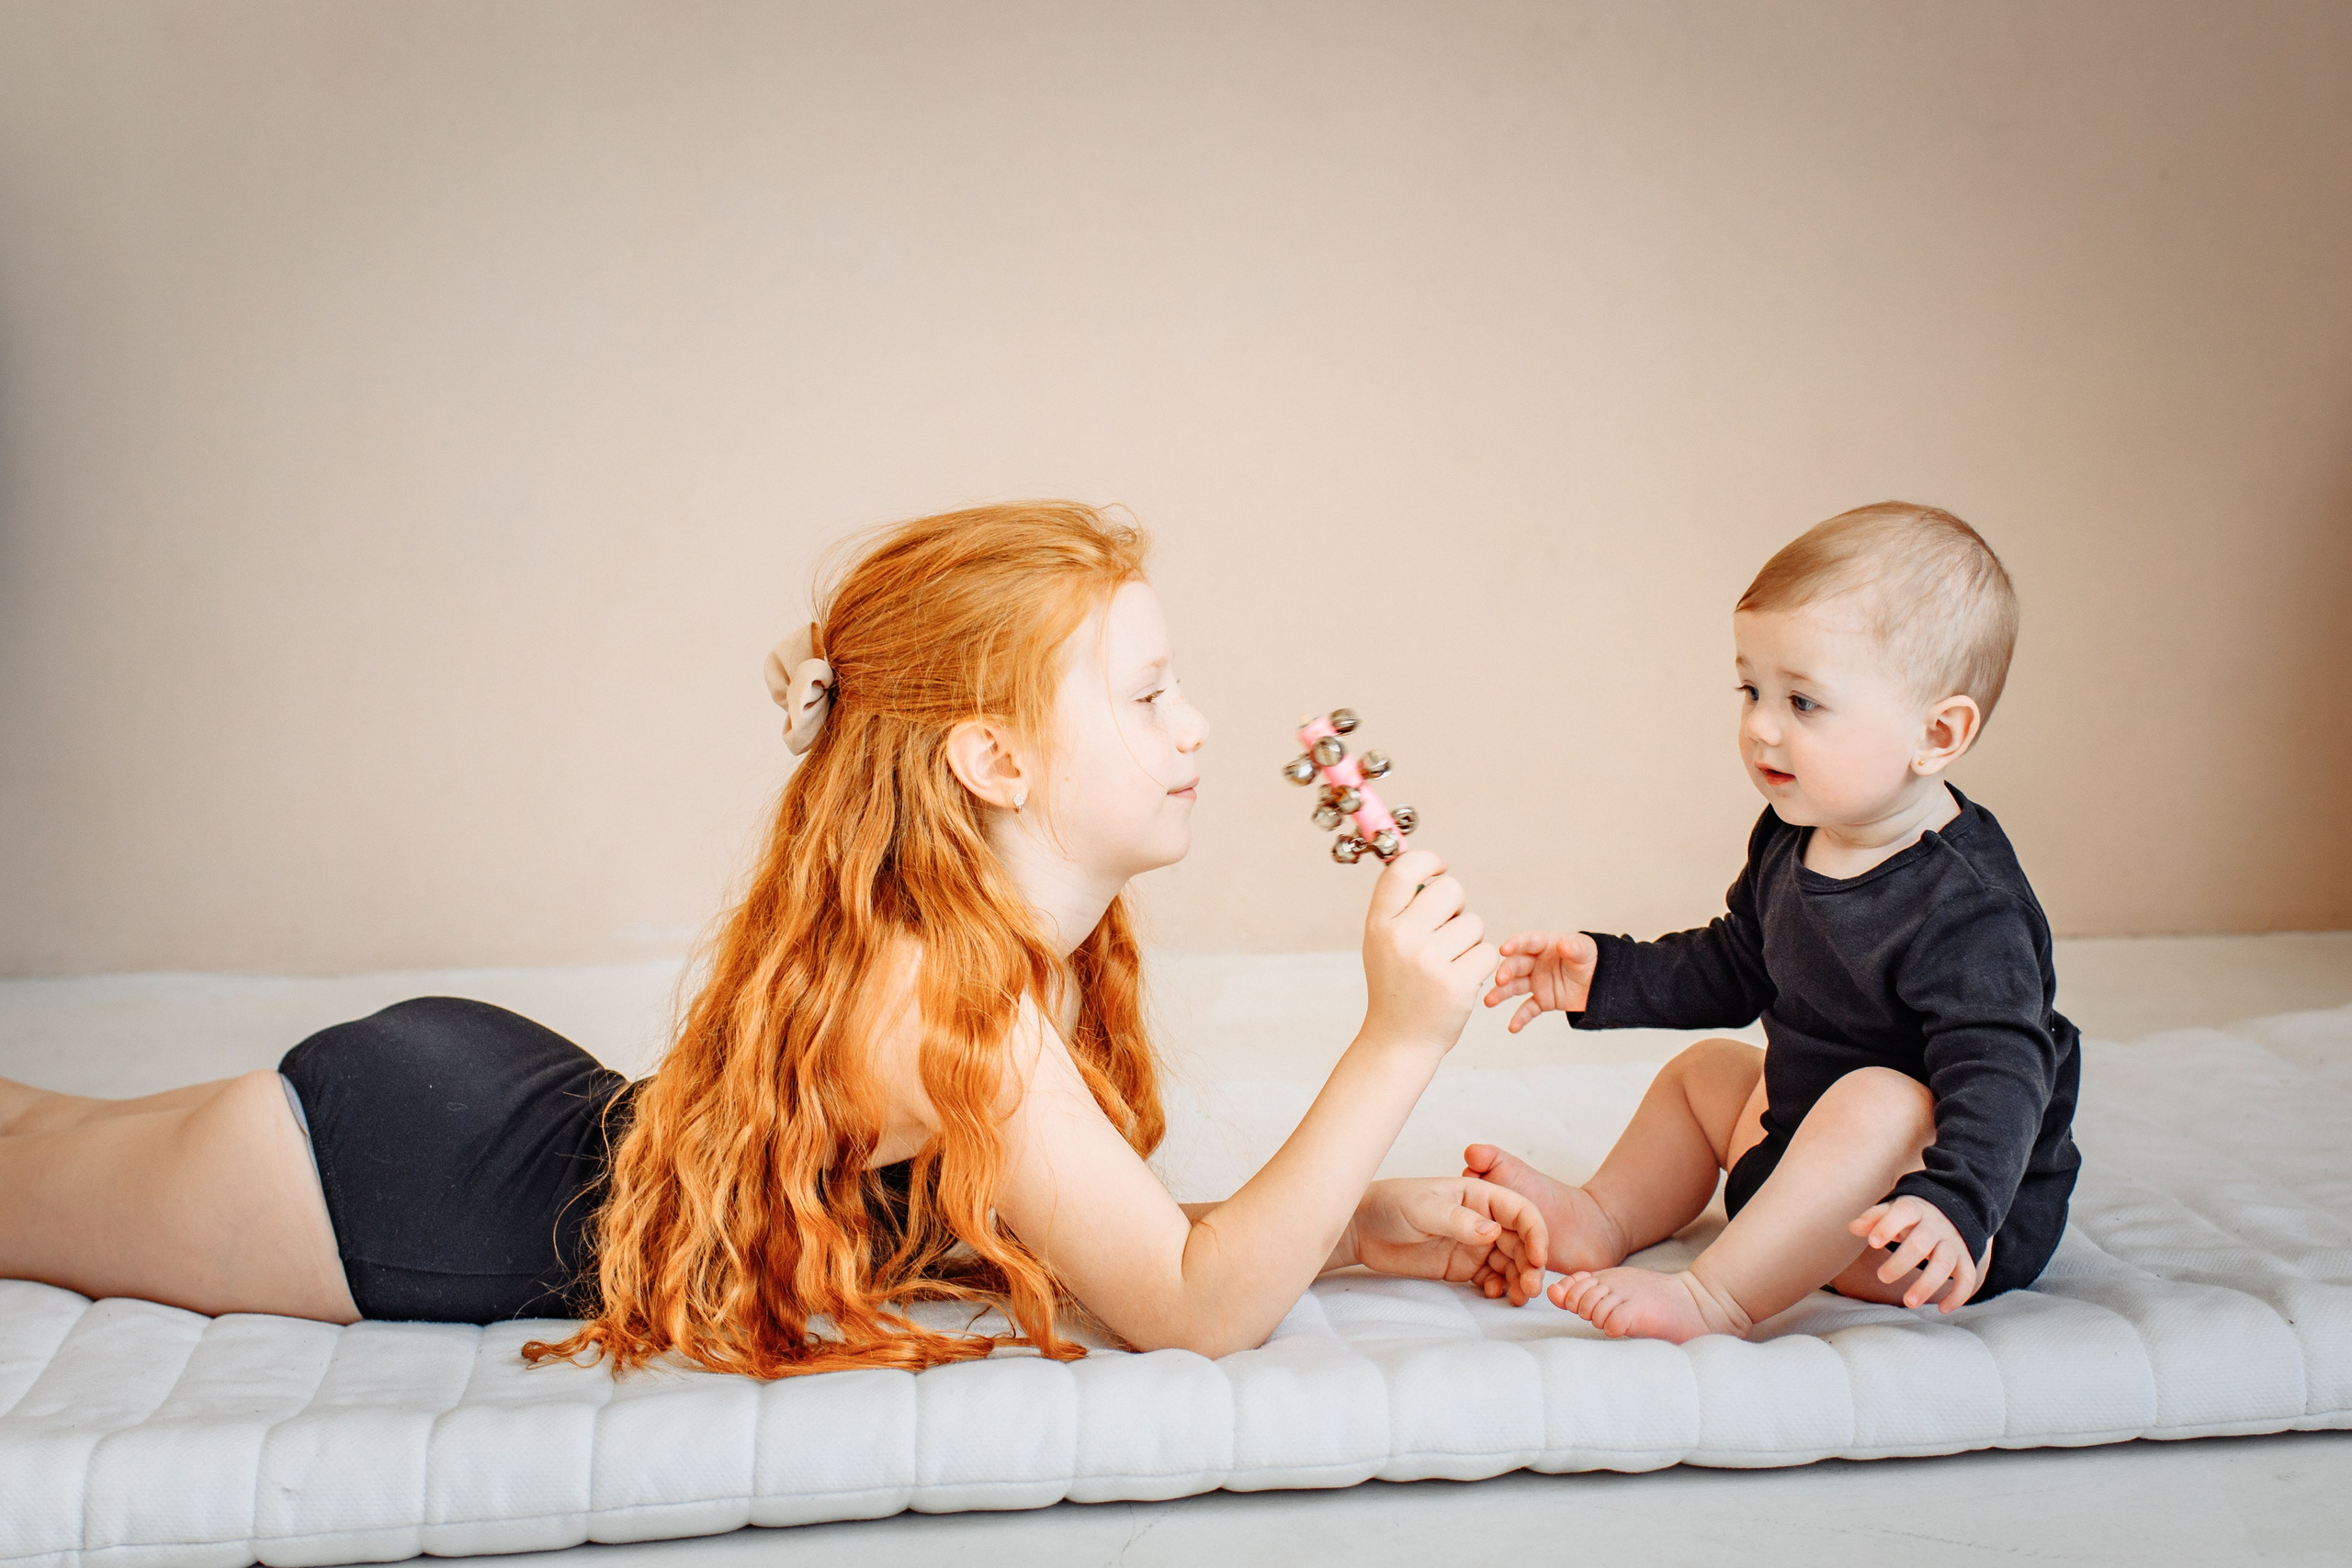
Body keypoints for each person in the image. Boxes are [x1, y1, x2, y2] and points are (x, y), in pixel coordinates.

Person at [0, 502, 1544, 1378]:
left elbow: (1051, 1238)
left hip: (504, 1108)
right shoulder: (955, 993)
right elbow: (1193, 1306)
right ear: (994, 760)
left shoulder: (1005, 960)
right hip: (407, 1179)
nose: (1193, 724)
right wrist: (1397, 1040)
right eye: (1145, 695)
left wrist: (1353, 1225)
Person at [1464, 502, 2080, 1342]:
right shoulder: (1796, 835)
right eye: (1752, 688)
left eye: (1805, 701)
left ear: (1937, 733)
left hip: (1921, 1226)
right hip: (1801, 1159)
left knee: (1882, 1098)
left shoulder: (1970, 906)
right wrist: (1607, 975)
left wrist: (1956, 1205)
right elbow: (1738, 961)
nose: (1760, 724)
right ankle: (1603, 1217)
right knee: (1706, 1072)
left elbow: (2006, 1073)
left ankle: (1713, 1296)